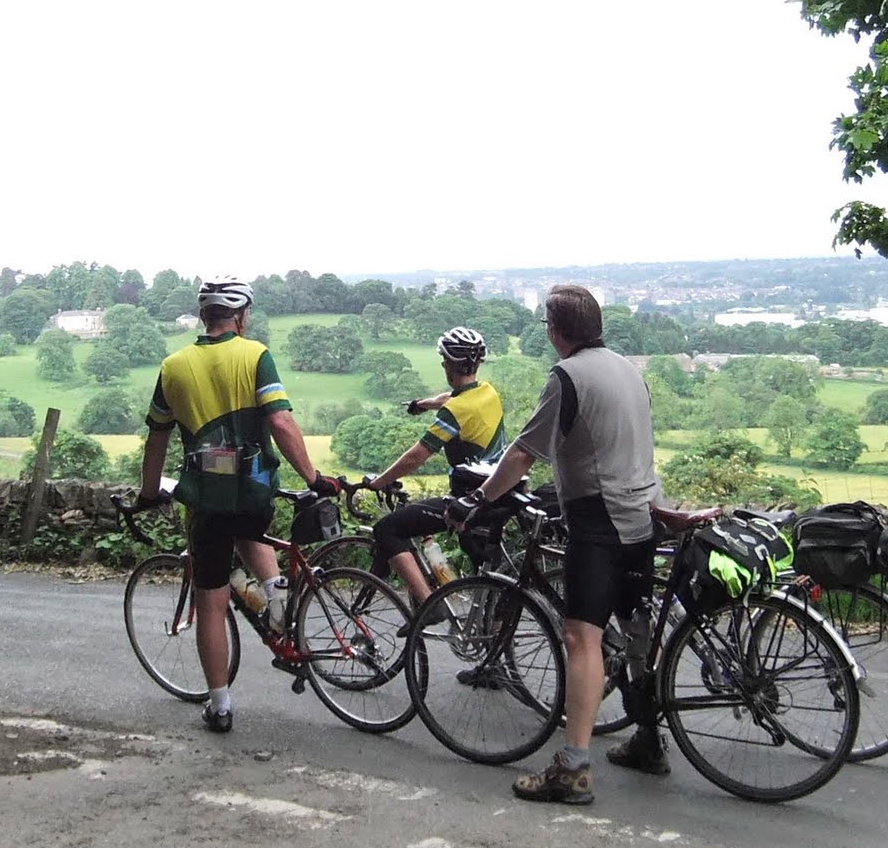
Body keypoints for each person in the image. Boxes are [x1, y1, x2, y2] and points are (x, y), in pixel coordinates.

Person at [446, 285, 664, 806]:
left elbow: (524, 453)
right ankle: (649, 740)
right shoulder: (627, 367)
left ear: (555, 330)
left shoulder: (568, 376)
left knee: (581, 637)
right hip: (644, 511)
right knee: (635, 627)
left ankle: (572, 769)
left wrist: (477, 499)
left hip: (599, 516)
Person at [136, 276, 337, 735]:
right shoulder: (255, 354)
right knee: (250, 533)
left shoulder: (173, 366)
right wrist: (313, 477)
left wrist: (149, 492)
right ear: (242, 317)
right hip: (255, 491)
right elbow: (281, 422)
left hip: (207, 500)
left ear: (203, 317)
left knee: (211, 603)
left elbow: (157, 437)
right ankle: (279, 600)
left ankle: (220, 704)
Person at [362, 326, 506, 612]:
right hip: (497, 491)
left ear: (450, 363)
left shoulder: (456, 412)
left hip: (467, 500)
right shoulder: (488, 393)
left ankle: (430, 606)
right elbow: (452, 398)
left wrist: (379, 482)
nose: (442, 363)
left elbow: (417, 456)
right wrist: (421, 404)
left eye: (444, 359)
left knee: (387, 528)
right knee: (486, 570)